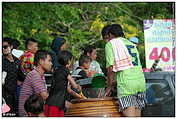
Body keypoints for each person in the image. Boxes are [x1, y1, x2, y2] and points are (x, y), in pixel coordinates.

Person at [101, 24, 146, 117]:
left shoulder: (111, 44)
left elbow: (110, 69)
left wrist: (108, 87)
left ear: (110, 35)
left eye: (107, 37)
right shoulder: (131, 44)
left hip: (126, 85)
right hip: (140, 83)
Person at [44, 50, 83, 117]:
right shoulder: (65, 71)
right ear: (68, 61)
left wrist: (81, 97)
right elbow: (74, 85)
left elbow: (69, 90)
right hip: (57, 104)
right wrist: (79, 87)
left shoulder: (56, 70)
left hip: (49, 103)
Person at [18, 50, 52, 116]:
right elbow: (44, 96)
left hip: (34, 112)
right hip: (27, 114)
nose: (51, 63)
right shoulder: (34, 75)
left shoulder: (40, 75)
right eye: (49, 61)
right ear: (41, 61)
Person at [2, 37, 20, 116]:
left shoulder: (17, 61)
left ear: (11, 47)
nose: (3, 49)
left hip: (15, 94)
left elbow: (21, 76)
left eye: (5, 47)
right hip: (4, 94)